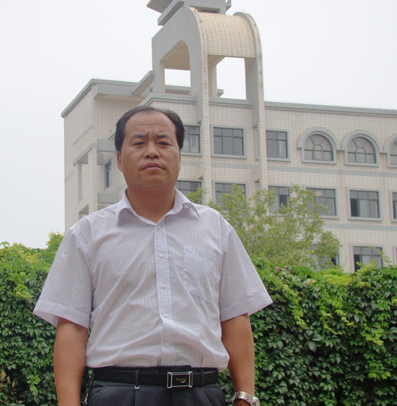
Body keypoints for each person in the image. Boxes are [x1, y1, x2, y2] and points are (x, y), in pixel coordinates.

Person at [34, 105, 272, 406]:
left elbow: (235, 316)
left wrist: (245, 397)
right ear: (119, 160)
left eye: (163, 142)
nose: (151, 152)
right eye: (138, 143)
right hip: (118, 395)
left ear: (179, 156)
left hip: (200, 395)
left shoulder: (215, 228)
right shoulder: (86, 235)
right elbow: (72, 327)